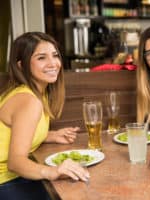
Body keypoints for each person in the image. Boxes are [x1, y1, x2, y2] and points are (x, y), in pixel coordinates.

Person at [0, 32, 90, 199]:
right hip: (6, 182)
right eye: (41, 58)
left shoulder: (35, 92)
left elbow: (14, 134)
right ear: (21, 65)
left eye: (55, 55)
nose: (53, 63)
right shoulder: (28, 100)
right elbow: (15, 162)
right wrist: (53, 171)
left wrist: (49, 135)